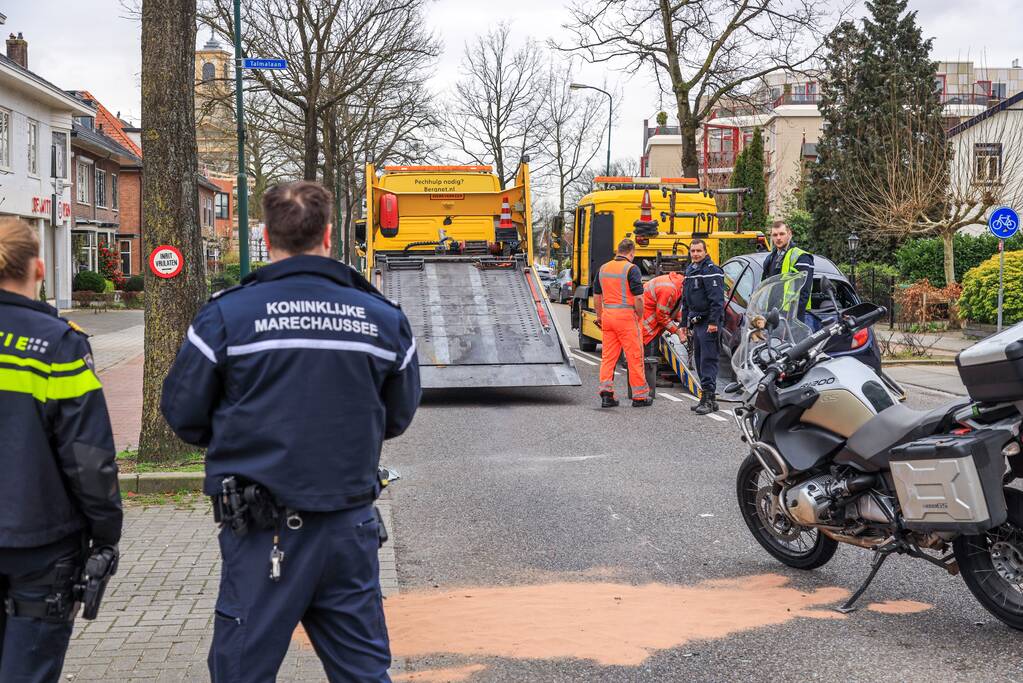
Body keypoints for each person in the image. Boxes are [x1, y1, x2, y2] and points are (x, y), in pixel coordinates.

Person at [161, 181, 421, 682]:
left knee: (242, 671)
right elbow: (399, 415)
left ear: (265, 235)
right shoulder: (382, 318)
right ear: (328, 236)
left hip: (265, 533)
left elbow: (184, 414)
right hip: (350, 528)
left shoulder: (227, 316)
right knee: (364, 672)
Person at [0, 218, 122, 682]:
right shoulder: (56, 344)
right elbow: (88, 456)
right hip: (41, 540)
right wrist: (106, 532)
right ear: (40, 269)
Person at [593, 238, 651, 408]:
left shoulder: (603, 269)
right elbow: (639, 298)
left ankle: (606, 394)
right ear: (631, 253)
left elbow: (597, 296)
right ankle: (639, 396)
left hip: (608, 317)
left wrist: (599, 316)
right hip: (627, 318)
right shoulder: (631, 269)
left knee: (608, 357)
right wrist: (640, 315)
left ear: (618, 251)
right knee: (634, 356)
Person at [681, 238, 724, 415]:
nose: (696, 254)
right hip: (697, 322)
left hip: (708, 323)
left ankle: (708, 397)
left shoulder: (712, 271)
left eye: (699, 251)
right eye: (693, 251)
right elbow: (685, 300)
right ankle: (709, 399)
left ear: (706, 251)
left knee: (708, 360)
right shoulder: (691, 270)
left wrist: (714, 322)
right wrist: (684, 323)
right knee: (699, 361)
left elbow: (717, 300)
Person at [761, 220, 814, 324]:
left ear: (789, 234)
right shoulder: (771, 258)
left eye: (782, 234)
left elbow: (804, 292)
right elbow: (765, 288)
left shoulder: (801, 257)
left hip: (792, 318)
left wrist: (793, 320)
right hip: (772, 316)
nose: (778, 238)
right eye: (775, 235)